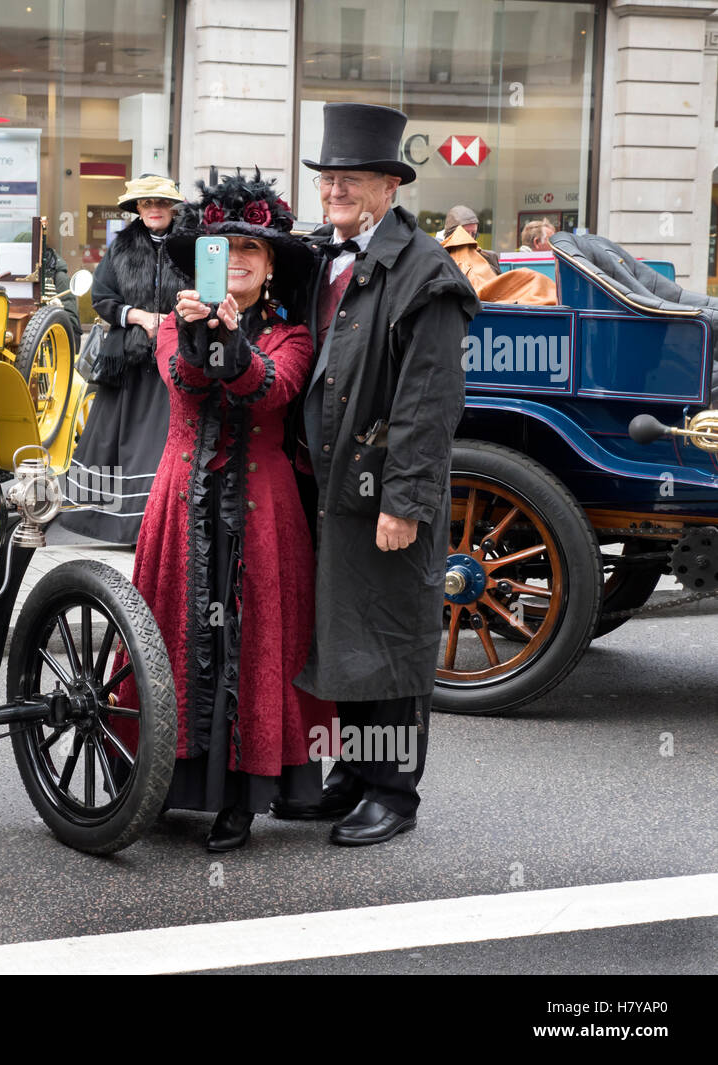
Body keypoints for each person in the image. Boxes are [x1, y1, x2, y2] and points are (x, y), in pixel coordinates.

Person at [271, 102, 480, 845]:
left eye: (351, 179)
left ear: (390, 186)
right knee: (340, 637)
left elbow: (429, 404)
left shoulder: (427, 273)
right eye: (329, 179)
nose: (335, 192)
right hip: (330, 492)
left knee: (389, 638)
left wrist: (407, 501)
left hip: (383, 494)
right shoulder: (325, 258)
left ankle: (393, 794)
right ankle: (349, 775)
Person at [113, 169, 332, 852]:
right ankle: (167, 783)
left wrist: (235, 341)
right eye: (221, 248)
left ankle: (239, 799)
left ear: (270, 269)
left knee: (253, 647)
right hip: (180, 509)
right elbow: (187, 379)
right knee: (178, 643)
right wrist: (203, 332)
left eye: (251, 251)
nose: (235, 260)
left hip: (263, 516)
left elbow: (269, 389)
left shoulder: (293, 336)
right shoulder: (174, 328)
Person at [57, 174, 182, 543]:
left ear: (172, 206)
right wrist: (140, 317)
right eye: (146, 204)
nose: (154, 209)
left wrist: (172, 323)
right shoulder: (121, 247)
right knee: (114, 440)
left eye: (160, 203)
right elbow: (102, 297)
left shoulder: (192, 244)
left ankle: (156, 527)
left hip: (175, 361)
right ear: (138, 209)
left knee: (160, 442)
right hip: (128, 361)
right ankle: (114, 524)